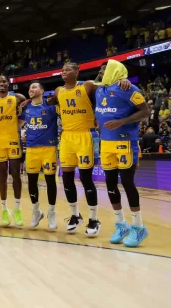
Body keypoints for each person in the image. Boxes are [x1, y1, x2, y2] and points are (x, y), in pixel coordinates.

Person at [49, 62, 130, 236]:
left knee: (86, 178)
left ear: (77, 72)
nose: (64, 72)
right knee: (66, 178)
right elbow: (51, 102)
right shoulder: (58, 91)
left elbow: (108, 86)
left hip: (85, 134)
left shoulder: (87, 86)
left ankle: (94, 219)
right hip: (66, 137)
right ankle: (75, 215)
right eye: (62, 70)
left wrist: (122, 80)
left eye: (68, 69)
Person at [95, 60, 150, 247]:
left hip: (125, 142)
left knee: (127, 183)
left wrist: (122, 122)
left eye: (104, 69)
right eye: (100, 70)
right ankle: (121, 225)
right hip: (106, 143)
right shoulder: (99, 89)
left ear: (115, 70)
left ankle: (139, 226)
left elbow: (146, 111)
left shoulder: (128, 88)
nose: (101, 72)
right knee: (110, 184)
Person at [0, 75, 27, 227]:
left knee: (15, 173)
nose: (2, 84)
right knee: (1, 175)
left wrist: (20, 123)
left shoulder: (18, 97)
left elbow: (27, 108)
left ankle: (17, 209)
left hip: (13, 138)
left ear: (8, 83)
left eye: (4, 81)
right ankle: (4, 209)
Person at [19, 81, 59, 230]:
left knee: (50, 181)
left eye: (34, 87)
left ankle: (51, 213)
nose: (31, 89)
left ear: (42, 91)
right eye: (30, 88)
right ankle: (36, 211)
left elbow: (61, 95)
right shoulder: (26, 108)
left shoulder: (51, 106)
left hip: (49, 148)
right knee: (31, 182)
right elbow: (18, 124)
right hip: (31, 149)